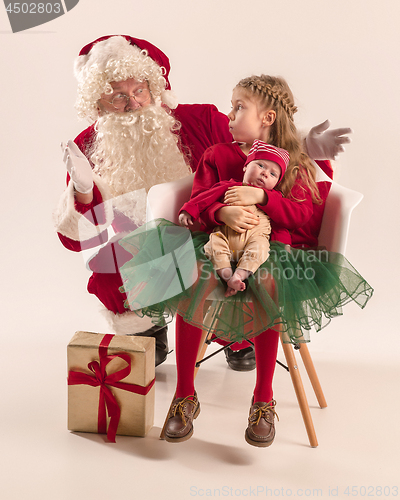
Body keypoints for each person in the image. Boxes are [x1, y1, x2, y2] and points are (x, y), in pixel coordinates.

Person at [54, 34, 352, 369]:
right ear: (97, 103)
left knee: (226, 261)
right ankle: (148, 330)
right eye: (118, 97)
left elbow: (258, 147)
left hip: (213, 229)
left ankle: (236, 335)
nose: (134, 103)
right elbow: (78, 238)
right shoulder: (87, 146)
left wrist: (306, 148)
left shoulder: (201, 120)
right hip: (148, 245)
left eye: (140, 91)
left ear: (155, 87)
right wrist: (81, 190)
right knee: (106, 270)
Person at [156, 74, 372, 447]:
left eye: (239, 107)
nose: (229, 114)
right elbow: (199, 200)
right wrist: (221, 213)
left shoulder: (294, 163)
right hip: (217, 242)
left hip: (274, 250)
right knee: (193, 279)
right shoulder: (218, 155)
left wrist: (263, 198)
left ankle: (263, 398)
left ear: (267, 118)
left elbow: (303, 215)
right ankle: (185, 394)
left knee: (270, 284)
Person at [179, 141, 290, 296]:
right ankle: (227, 276)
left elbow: (279, 225)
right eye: (261, 166)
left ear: (276, 183)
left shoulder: (272, 198)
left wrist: (284, 244)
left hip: (254, 238)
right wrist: (188, 211)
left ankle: (239, 276)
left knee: (260, 249)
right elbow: (204, 198)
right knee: (214, 245)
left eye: (273, 174)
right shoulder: (229, 186)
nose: (265, 173)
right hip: (225, 235)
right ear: (246, 166)